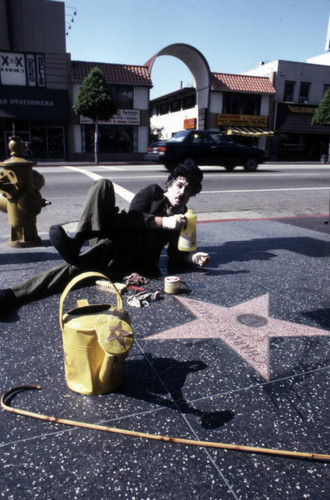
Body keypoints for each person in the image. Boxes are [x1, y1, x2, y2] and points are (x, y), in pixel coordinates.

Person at [0, 164, 209, 318]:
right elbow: (131, 218)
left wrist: (192, 257)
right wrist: (163, 222)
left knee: (74, 269)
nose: (182, 192)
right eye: (180, 185)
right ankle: (79, 239)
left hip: (128, 263)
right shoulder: (153, 193)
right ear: (170, 185)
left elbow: (175, 253)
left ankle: (10, 296)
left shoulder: (184, 217)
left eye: (188, 190)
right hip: (113, 240)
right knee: (103, 185)